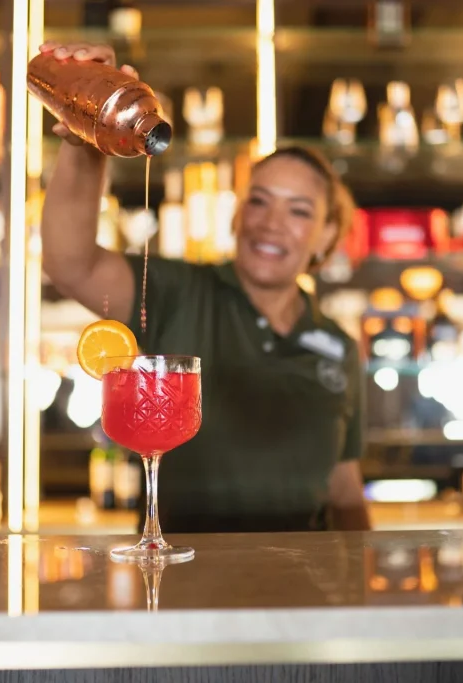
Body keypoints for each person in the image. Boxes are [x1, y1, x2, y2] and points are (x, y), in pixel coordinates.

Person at [40, 42, 371, 533]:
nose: (272, 224)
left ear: (326, 235)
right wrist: (85, 132)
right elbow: (71, 263)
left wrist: (364, 602)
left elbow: (344, 486)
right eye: (259, 202)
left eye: (299, 210)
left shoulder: (338, 348)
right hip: (182, 587)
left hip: (305, 595)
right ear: (237, 217)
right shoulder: (178, 289)